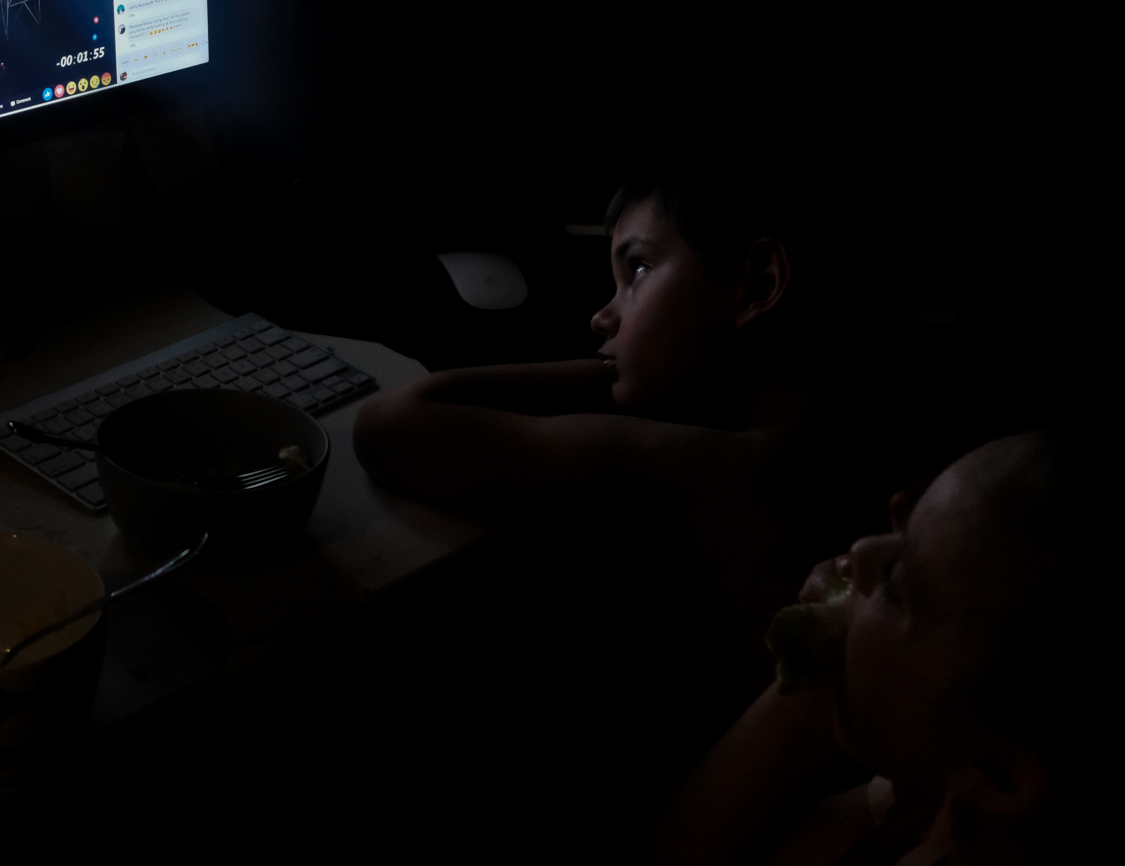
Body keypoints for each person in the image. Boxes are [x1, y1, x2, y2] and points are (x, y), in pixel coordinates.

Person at [354, 167, 884, 688]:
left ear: (757, 285)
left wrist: (614, 372)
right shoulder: (852, 435)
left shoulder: (712, 468)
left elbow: (388, 423)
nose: (602, 317)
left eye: (636, 270)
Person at [626, 428, 1115, 866]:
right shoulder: (943, 821)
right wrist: (823, 672)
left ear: (998, 771)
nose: (859, 552)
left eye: (896, 583)